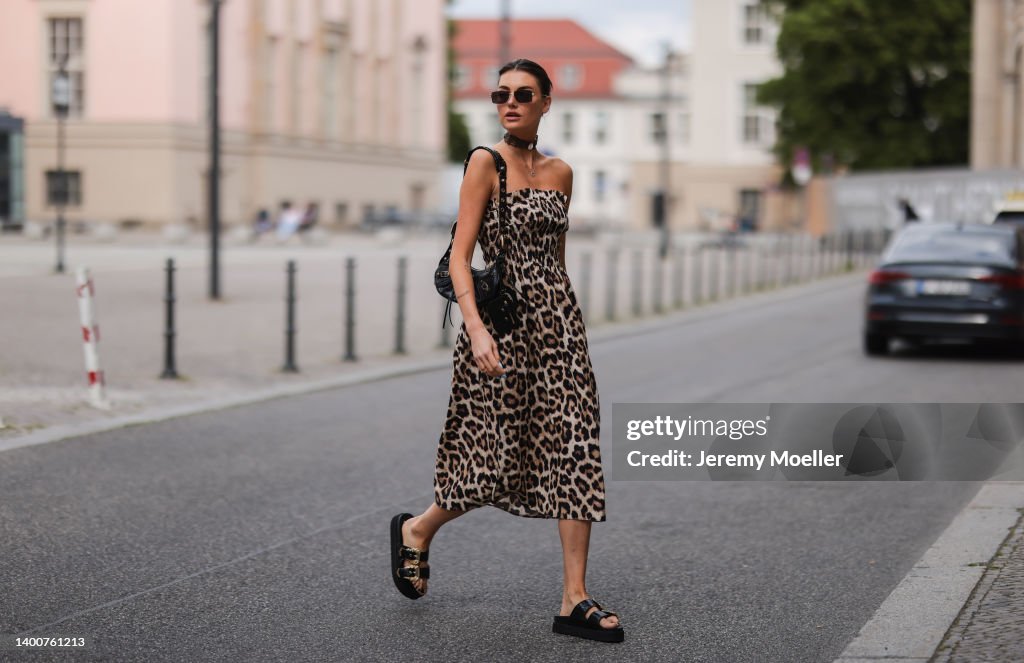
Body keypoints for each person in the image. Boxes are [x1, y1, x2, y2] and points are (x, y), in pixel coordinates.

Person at [388, 58, 623, 643]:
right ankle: (418, 529)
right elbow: (460, 256)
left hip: (559, 329)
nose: (510, 102)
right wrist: (475, 328)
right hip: (502, 327)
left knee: (575, 448)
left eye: (523, 94)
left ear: (546, 102)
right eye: (501, 94)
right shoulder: (484, 163)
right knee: (494, 458)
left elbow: (558, 260)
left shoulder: (562, 173)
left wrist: (569, 327)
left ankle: (575, 598)